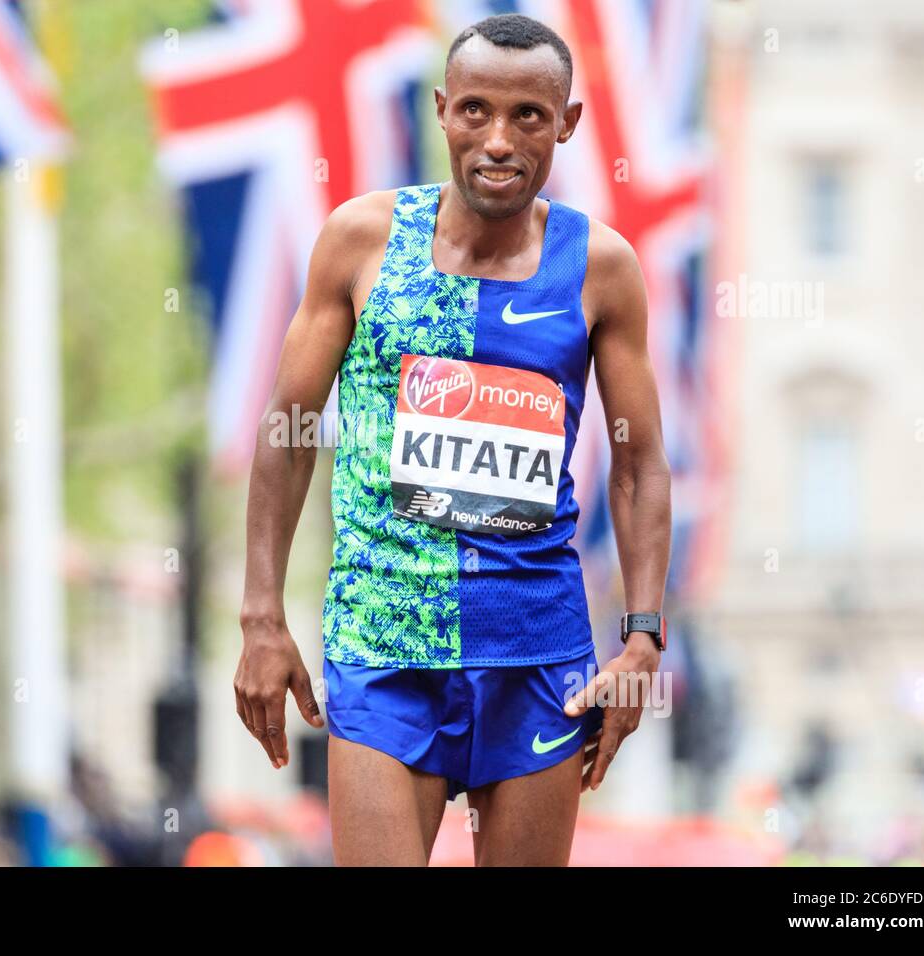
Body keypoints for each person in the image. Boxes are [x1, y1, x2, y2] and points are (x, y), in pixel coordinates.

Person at [235, 13, 671, 866]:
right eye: (475, 110)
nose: (498, 140)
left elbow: (641, 461)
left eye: (529, 117)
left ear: (568, 123)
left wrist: (643, 639)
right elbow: (288, 433)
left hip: (537, 653)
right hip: (385, 637)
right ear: (441, 110)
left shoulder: (600, 266)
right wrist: (262, 615)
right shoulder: (362, 241)